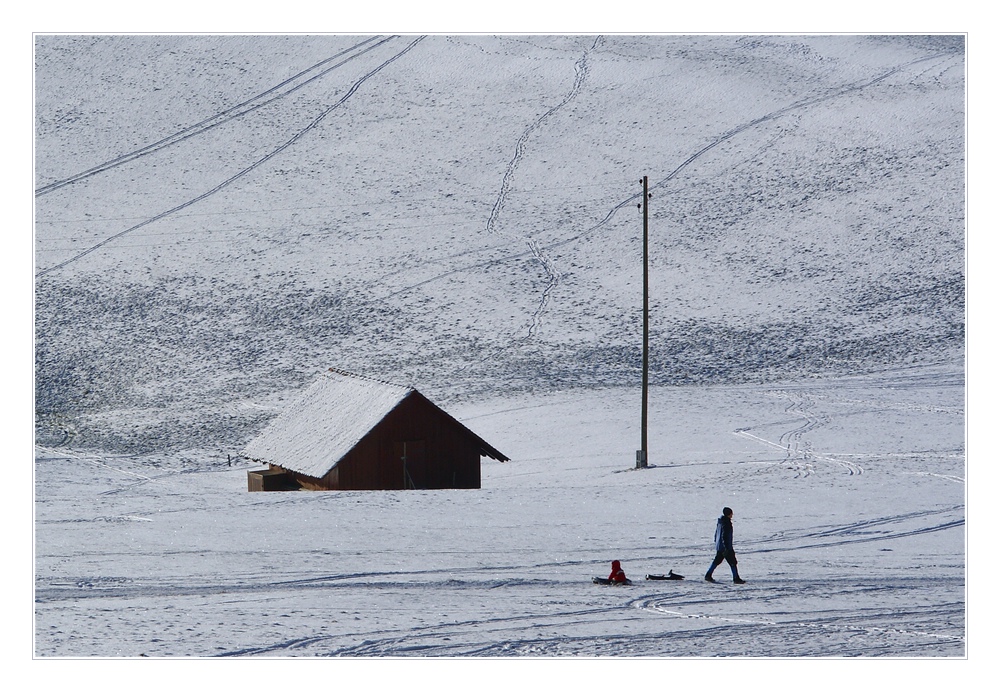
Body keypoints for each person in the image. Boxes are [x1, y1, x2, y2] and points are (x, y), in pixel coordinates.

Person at [705, 507, 746, 584]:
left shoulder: (721, 522)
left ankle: (708, 574)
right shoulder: (726, 523)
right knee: (732, 562)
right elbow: (725, 536)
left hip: (720, 546)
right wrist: (727, 547)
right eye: (731, 513)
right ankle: (736, 578)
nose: (732, 515)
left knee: (717, 561)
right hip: (725, 547)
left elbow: (717, 533)